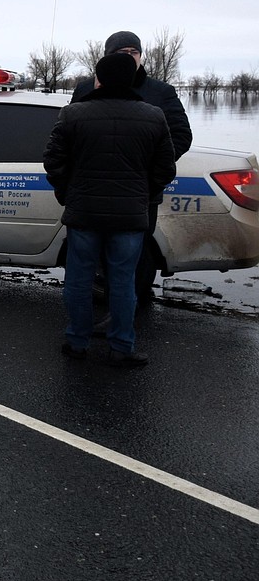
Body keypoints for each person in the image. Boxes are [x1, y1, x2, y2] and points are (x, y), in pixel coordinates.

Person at [44, 52, 176, 366]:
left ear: (98, 80)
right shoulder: (154, 116)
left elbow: (53, 161)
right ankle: (122, 347)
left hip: (84, 212)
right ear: (132, 80)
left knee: (78, 278)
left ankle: (77, 342)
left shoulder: (73, 114)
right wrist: (142, 196)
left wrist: (68, 193)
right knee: (122, 281)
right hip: (130, 216)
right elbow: (165, 169)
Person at [72, 30, 191, 327]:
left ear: (140, 56)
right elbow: (67, 140)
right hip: (92, 193)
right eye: (121, 52)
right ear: (107, 55)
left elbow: (180, 136)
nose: (129, 57)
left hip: (140, 194)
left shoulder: (160, 92)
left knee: (134, 257)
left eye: (133, 52)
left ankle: (124, 320)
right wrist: (72, 184)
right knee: (93, 260)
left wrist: (149, 175)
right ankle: (83, 330)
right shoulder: (85, 89)